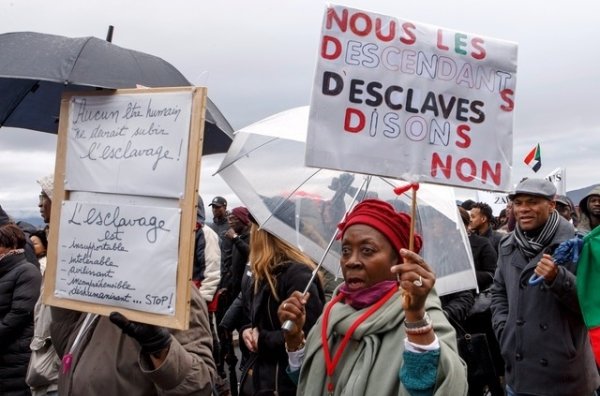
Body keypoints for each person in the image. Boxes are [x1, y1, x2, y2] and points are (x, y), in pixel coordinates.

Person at [278, 199, 467, 395]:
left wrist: (416, 318)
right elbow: (310, 380)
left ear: (400, 261)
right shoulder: (332, 313)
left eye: (367, 251)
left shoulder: (421, 313)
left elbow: (438, 386)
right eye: (345, 251)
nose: (351, 262)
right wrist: (294, 340)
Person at [491, 178, 600, 395]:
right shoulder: (507, 245)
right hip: (519, 370)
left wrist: (557, 278)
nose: (523, 209)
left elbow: (592, 305)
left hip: (566, 373)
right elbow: (498, 292)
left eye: (532, 202)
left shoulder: (577, 245)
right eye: (518, 203)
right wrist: (505, 330)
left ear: (551, 205)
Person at [50, 284, 216, 395]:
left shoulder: (172, 286)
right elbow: (68, 354)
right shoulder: (101, 282)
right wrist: (62, 305)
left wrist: (160, 347)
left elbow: (198, 385)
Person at [238, 222, 325, 395]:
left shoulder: (299, 277)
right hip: (262, 379)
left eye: (253, 232)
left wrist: (262, 340)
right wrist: (246, 331)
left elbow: (309, 335)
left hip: (283, 384)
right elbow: (259, 320)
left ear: (262, 236)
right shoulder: (267, 274)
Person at [0, 223, 42, 396]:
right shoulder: (4, 272)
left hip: (15, 355)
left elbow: (19, 313)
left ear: (12, 245)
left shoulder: (27, 271)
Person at [215, 207, 251, 395]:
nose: (230, 221)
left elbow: (250, 255)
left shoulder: (246, 238)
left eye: (234, 218)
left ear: (242, 220)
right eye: (229, 218)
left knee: (245, 338)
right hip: (233, 294)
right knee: (226, 327)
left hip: (245, 298)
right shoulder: (233, 238)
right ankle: (229, 368)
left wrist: (235, 239)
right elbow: (230, 265)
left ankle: (245, 372)